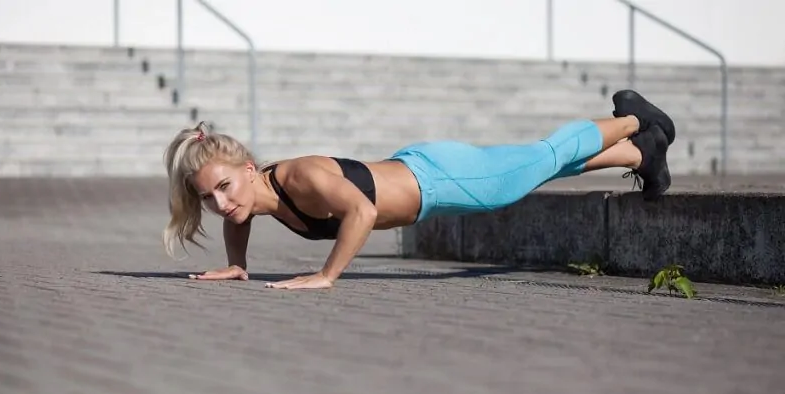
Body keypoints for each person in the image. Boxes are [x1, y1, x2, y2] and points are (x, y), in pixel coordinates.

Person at [162, 89, 675, 290]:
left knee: (542, 155)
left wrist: (326, 275)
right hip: (423, 168)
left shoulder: (299, 178)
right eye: (208, 198)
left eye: (225, 187)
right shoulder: (256, 195)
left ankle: (636, 119)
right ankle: (643, 154)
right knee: (538, 168)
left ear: (248, 168)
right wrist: (237, 264)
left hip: (439, 177)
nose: (222, 204)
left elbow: (360, 212)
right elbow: (241, 218)